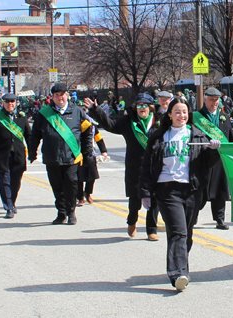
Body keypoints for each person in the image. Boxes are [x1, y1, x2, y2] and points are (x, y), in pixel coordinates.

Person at [139, 98, 221, 291]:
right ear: (169, 114)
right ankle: (178, 274)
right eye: (177, 112)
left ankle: (182, 268)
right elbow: (147, 165)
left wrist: (213, 151)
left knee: (187, 232)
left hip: (192, 189)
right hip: (167, 189)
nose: (181, 116)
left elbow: (206, 164)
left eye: (184, 112)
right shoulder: (159, 136)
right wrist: (145, 192)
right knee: (178, 232)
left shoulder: (198, 135)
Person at [84, 93, 161, 240]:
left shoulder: (159, 121)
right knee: (134, 201)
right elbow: (110, 125)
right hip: (135, 167)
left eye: (145, 105)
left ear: (150, 107)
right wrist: (96, 110)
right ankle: (132, 221)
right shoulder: (128, 121)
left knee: (154, 200)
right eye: (139, 105)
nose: (142, 108)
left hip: (153, 167)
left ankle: (152, 230)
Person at [29, 84, 93, 225]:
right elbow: (35, 134)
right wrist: (32, 151)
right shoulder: (43, 114)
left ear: (67, 95)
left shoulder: (77, 112)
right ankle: (61, 213)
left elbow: (88, 132)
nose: (60, 97)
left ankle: (71, 212)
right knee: (57, 186)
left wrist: (87, 152)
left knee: (71, 184)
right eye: (57, 95)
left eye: (62, 94)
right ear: (52, 97)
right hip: (52, 157)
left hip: (71, 157)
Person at [0, 93, 32, 219]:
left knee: (15, 181)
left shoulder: (21, 117)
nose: (10, 104)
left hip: (18, 154)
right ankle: (8, 207)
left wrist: (32, 152)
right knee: (4, 181)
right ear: (3, 103)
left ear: (16, 103)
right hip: (1, 154)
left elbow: (28, 136)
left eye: (13, 102)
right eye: (7, 101)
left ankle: (12, 202)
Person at [196, 87, 233, 229]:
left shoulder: (224, 117)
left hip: (220, 160)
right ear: (205, 99)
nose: (214, 102)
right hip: (202, 158)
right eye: (211, 99)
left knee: (220, 189)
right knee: (199, 189)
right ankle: (192, 216)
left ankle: (220, 219)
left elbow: (231, 139)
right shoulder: (196, 117)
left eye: (217, 100)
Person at [76, 111, 108, 206]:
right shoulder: (74, 123)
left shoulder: (92, 125)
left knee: (92, 176)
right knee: (79, 177)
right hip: (78, 154)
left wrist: (103, 151)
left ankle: (88, 193)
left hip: (90, 153)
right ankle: (80, 197)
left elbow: (98, 138)